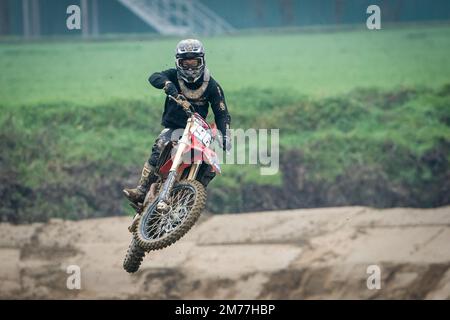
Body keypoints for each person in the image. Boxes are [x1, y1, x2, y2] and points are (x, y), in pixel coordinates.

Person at [123, 39, 231, 204]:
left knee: (210, 165)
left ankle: (191, 199)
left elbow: (222, 113)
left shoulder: (212, 86)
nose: (189, 67)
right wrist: (166, 84)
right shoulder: (173, 75)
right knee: (160, 146)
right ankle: (142, 189)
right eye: (185, 62)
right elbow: (154, 77)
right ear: (178, 62)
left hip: (198, 131)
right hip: (174, 128)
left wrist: (225, 135)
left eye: (194, 62)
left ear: (202, 61)